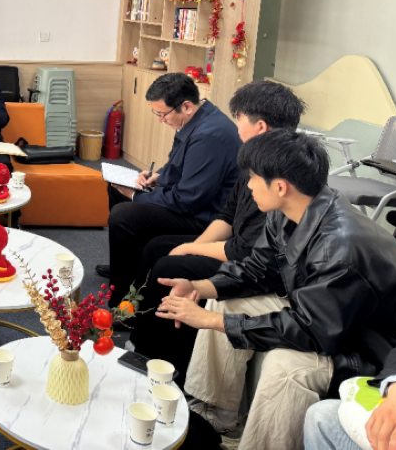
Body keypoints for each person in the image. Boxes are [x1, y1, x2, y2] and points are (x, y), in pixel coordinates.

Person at [157, 130, 396, 450]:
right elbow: (259, 269)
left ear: (279, 186)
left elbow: (312, 330)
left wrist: (210, 321)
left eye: (252, 178)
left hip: (369, 348)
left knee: (285, 365)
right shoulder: (288, 212)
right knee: (225, 303)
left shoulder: (340, 248)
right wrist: (198, 287)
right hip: (330, 318)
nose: (249, 185)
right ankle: (218, 415)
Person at [129, 80, 306, 384]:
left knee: (171, 265)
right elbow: (228, 215)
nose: (235, 126)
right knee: (159, 248)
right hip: (242, 248)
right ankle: (142, 333)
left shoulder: (279, 176)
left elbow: (244, 250)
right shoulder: (255, 159)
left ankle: (164, 360)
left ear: (260, 126)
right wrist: (194, 246)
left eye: (240, 118)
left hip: (262, 270)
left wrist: (191, 249)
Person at [97, 72, 241, 300]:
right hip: (192, 198)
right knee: (117, 190)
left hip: (205, 216)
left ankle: (124, 298)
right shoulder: (197, 118)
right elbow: (181, 163)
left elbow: (188, 200)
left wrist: (137, 196)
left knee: (124, 214)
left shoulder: (208, 136)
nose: (160, 120)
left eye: (162, 114)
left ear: (186, 106)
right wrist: (158, 176)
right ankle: (125, 269)